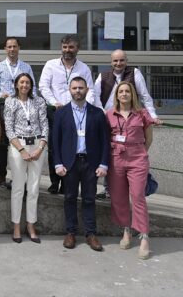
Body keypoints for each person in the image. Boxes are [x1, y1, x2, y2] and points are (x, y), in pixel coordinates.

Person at [94, 49, 162, 200]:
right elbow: (94, 95)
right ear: (111, 62)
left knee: (129, 155)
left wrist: (153, 116)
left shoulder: (135, 73)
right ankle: (108, 189)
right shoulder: (103, 75)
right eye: (115, 61)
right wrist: (102, 113)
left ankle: (137, 187)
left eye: (121, 60)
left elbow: (145, 96)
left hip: (129, 118)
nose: (118, 63)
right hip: (109, 118)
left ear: (127, 60)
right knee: (110, 151)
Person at [53, 76, 109, 252]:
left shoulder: (97, 113)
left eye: (81, 88)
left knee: (89, 199)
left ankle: (91, 234)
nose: (78, 91)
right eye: (74, 88)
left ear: (87, 90)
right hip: (69, 163)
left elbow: (105, 141)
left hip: (91, 163)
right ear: (69, 90)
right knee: (69, 197)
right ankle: (70, 233)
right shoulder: (61, 113)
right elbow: (55, 141)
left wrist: (104, 164)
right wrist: (57, 164)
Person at [39, 34, 95, 195]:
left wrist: (86, 106)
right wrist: (53, 101)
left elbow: (90, 89)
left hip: (76, 113)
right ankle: (54, 182)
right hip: (55, 111)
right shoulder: (50, 65)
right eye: (64, 47)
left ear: (77, 49)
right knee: (54, 147)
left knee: (70, 147)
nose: (67, 50)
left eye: (71, 47)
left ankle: (67, 183)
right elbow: (43, 86)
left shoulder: (83, 68)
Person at [106, 81, 154, 259]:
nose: (124, 94)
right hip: (116, 158)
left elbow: (149, 139)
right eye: (121, 91)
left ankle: (144, 236)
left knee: (138, 196)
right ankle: (126, 230)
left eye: (127, 91)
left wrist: (140, 154)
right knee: (118, 197)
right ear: (117, 95)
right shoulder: (109, 114)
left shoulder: (142, 114)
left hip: (137, 159)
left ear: (132, 94)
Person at [4, 73, 48, 244]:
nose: (24, 85)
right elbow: (8, 127)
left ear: (31, 85)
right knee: (18, 187)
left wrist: (40, 147)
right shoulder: (11, 101)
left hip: (37, 145)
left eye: (28, 82)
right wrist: (21, 150)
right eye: (21, 82)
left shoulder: (39, 101)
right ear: (16, 84)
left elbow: (45, 124)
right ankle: (16, 225)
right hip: (18, 145)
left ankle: (31, 224)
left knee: (34, 187)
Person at [0, 37, 36, 188]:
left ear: (19, 48)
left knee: (22, 142)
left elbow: (33, 88)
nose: (12, 49)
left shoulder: (26, 67)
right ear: (5, 49)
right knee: (4, 143)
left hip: (22, 108)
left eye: (14, 46)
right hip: (5, 107)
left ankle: (20, 178)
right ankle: (1, 176)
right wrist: (0, 94)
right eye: (9, 47)